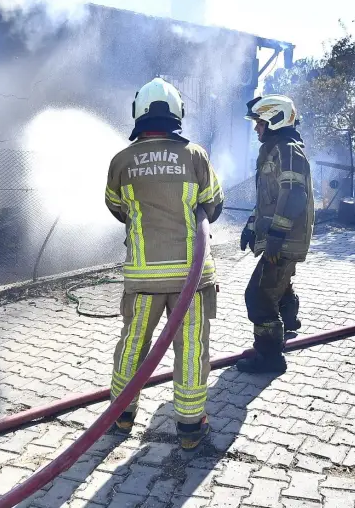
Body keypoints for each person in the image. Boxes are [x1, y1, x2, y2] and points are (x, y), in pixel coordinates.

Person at [105, 77, 224, 450]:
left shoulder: (121, 161)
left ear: (139, 112)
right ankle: (190, 427)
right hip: (191, 277)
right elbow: (213, 203)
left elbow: (116, 208)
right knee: (191, 349)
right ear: (177, 113)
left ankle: (121, 416)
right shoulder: (195, 155)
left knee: (133, 345)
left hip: (144, 278)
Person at [238, 94, 314, 374]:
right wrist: (251, 225)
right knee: (276, 283)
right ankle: (289, 320)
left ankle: (270, 356)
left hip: (285, 239)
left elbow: (294, 195)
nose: (256, 128)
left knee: (258, 296)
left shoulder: (288, 150)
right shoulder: (275, 150)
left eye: (259, 123)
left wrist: (277, 235)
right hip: (279, 238)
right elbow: (268, 199)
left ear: (275, 120)